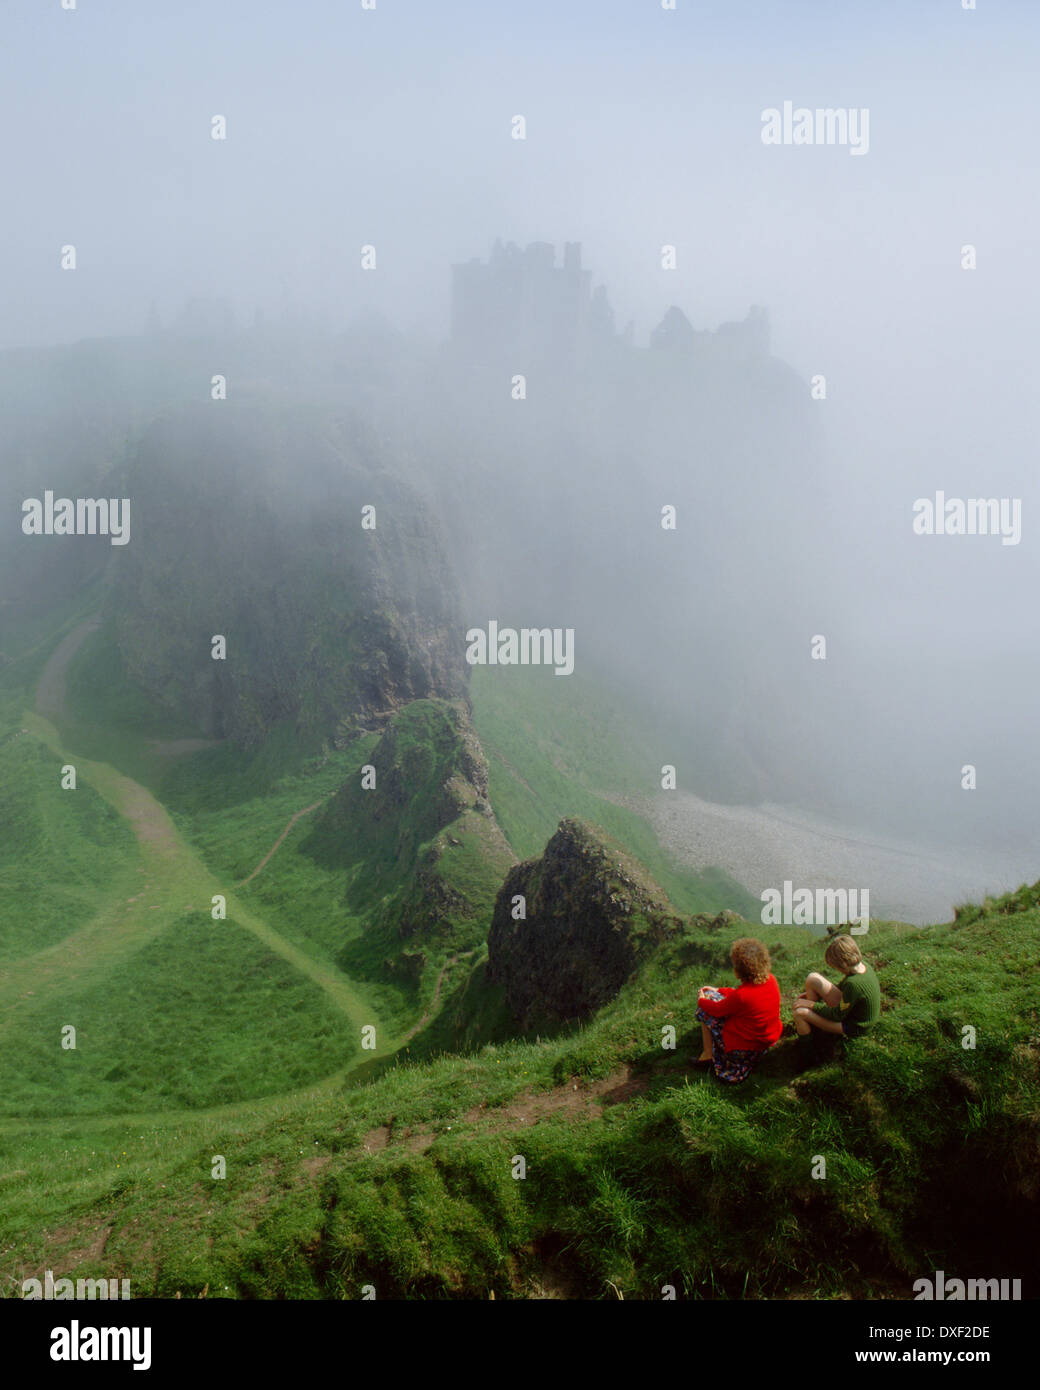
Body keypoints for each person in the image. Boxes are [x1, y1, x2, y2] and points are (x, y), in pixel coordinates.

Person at [695, 937, 783, 1083]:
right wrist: (720, 990)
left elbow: (718, 1009)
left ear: (739, 970)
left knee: (704, 1011)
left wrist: (701, 1000)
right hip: (766, 1042)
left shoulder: (742, 996)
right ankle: (710, 1053)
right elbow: (738, 994)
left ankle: (707, 1054)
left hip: (744, 1049)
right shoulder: (771, 980)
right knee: (714, 997)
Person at [792, 933, 881, 1041]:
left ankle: (808, 1047)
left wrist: (811, 1005)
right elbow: (843, 990)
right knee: (812, 978)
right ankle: (813, 1024)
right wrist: (814, 997)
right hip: (851, 1011)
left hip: (854, 1027)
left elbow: (837, 1015)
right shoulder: (863, 966)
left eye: (835, 966)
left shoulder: (853, 984)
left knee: (799, 1013)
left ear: (842, 964)